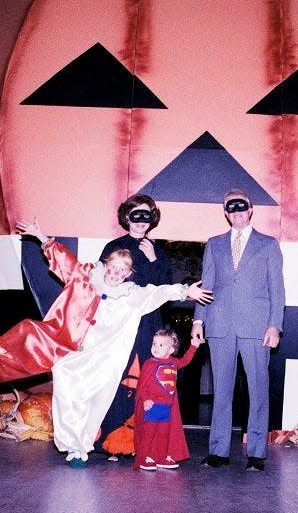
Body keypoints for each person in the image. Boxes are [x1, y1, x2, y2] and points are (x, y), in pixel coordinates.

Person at [0, 218, 212, 468]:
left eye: (122, 271)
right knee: (34, 335)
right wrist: (41, 236)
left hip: (107, 363)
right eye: (112, 267)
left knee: (95, 405)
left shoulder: (132, 295)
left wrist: (185, 290)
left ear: (128, 274)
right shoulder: (87, 280)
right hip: (77, 351)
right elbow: (65, 262)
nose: (115, 274)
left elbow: (160, 291)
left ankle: (79, 449)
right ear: (105, 265)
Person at [191, 189, 285, 472]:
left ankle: (256, 453)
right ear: (225, 212)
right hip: (219, 325)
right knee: (221, 390)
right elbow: (205, 286)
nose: (237, 212)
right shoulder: (214, 244)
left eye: (241, 207)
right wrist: (198, 321)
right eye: (231, 208)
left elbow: (277, 290)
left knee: (258, 389)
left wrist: (275, 325)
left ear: (251, 209)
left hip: (256, 327)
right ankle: (218, 450)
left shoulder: (268, 245)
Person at [97, 194, 172, 454]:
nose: (141, 221)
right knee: (115, 375)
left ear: (152, 220)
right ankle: (109, 441)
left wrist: (153, 260)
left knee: (145, 379)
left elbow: (165, 289)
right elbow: (102, 285)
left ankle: (143, 444)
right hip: (118, 323)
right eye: (136, 215)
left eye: (146, 215)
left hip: (147, 324)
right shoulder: (113, 247)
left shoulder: (158, 250)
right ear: (127, 217)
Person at [133, 328, 202, 471]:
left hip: (166, 407)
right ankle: (144, 457)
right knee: (149, 434)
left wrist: (194, 346)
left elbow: (185, 360)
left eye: (161, 345)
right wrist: (146, 400)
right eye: (154, 343)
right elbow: (143, 386)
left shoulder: (173, 363)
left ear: (171, 349)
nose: (155, 348)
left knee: (164, 435)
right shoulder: (149, 364)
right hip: (153, 406)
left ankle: (162, 457)